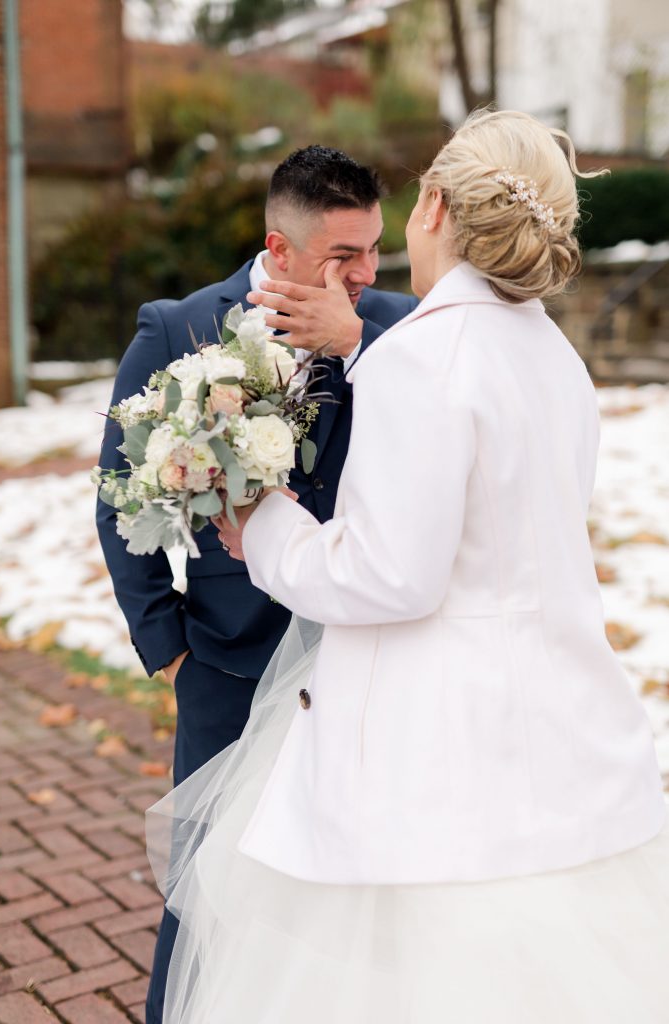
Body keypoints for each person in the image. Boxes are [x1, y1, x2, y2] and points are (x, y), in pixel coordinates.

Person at [146, 109, 669, 1023]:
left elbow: (387, 576)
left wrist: (261, 525)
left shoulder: (422, 357)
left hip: (430, 753)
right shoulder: (553, 357)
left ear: (431, 205)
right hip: (557, 728)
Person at [95, 145, 416, 1024]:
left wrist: (363, 339)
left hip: (361, 659)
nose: (364, 274)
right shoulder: (179, 330)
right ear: (278, 250)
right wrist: (168, 652)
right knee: (205, 890)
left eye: (373, 250)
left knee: (353, 884)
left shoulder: (400, 327)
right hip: (227, 665)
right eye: (341, 257)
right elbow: (119, 498)